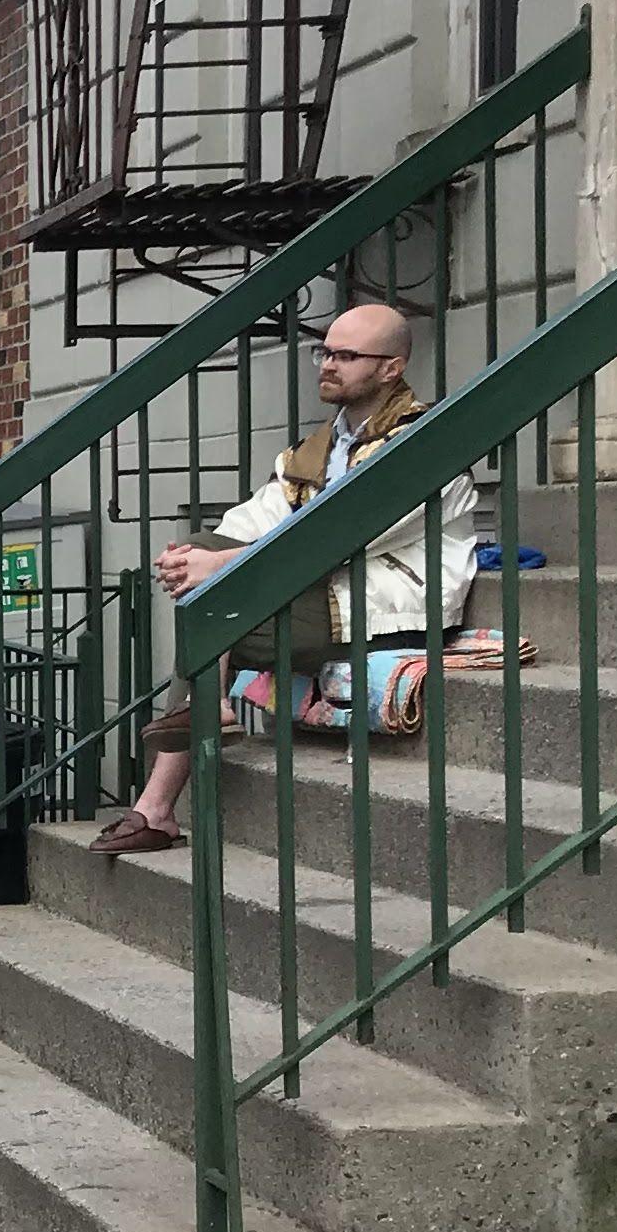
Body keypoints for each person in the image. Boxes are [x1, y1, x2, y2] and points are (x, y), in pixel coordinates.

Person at [91, 299, 476, 856]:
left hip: (382, 596)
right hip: (312, 588)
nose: (327, 363)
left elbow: (345, 535)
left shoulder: (429, 442)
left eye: (346, 355)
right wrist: (196, 556)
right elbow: (257, 518)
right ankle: (177, 769)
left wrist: (220, 565)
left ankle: (158, 802)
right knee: (203, 558)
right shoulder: (319, 449)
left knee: (209, 615)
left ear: (391, 367)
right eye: (325, 351)